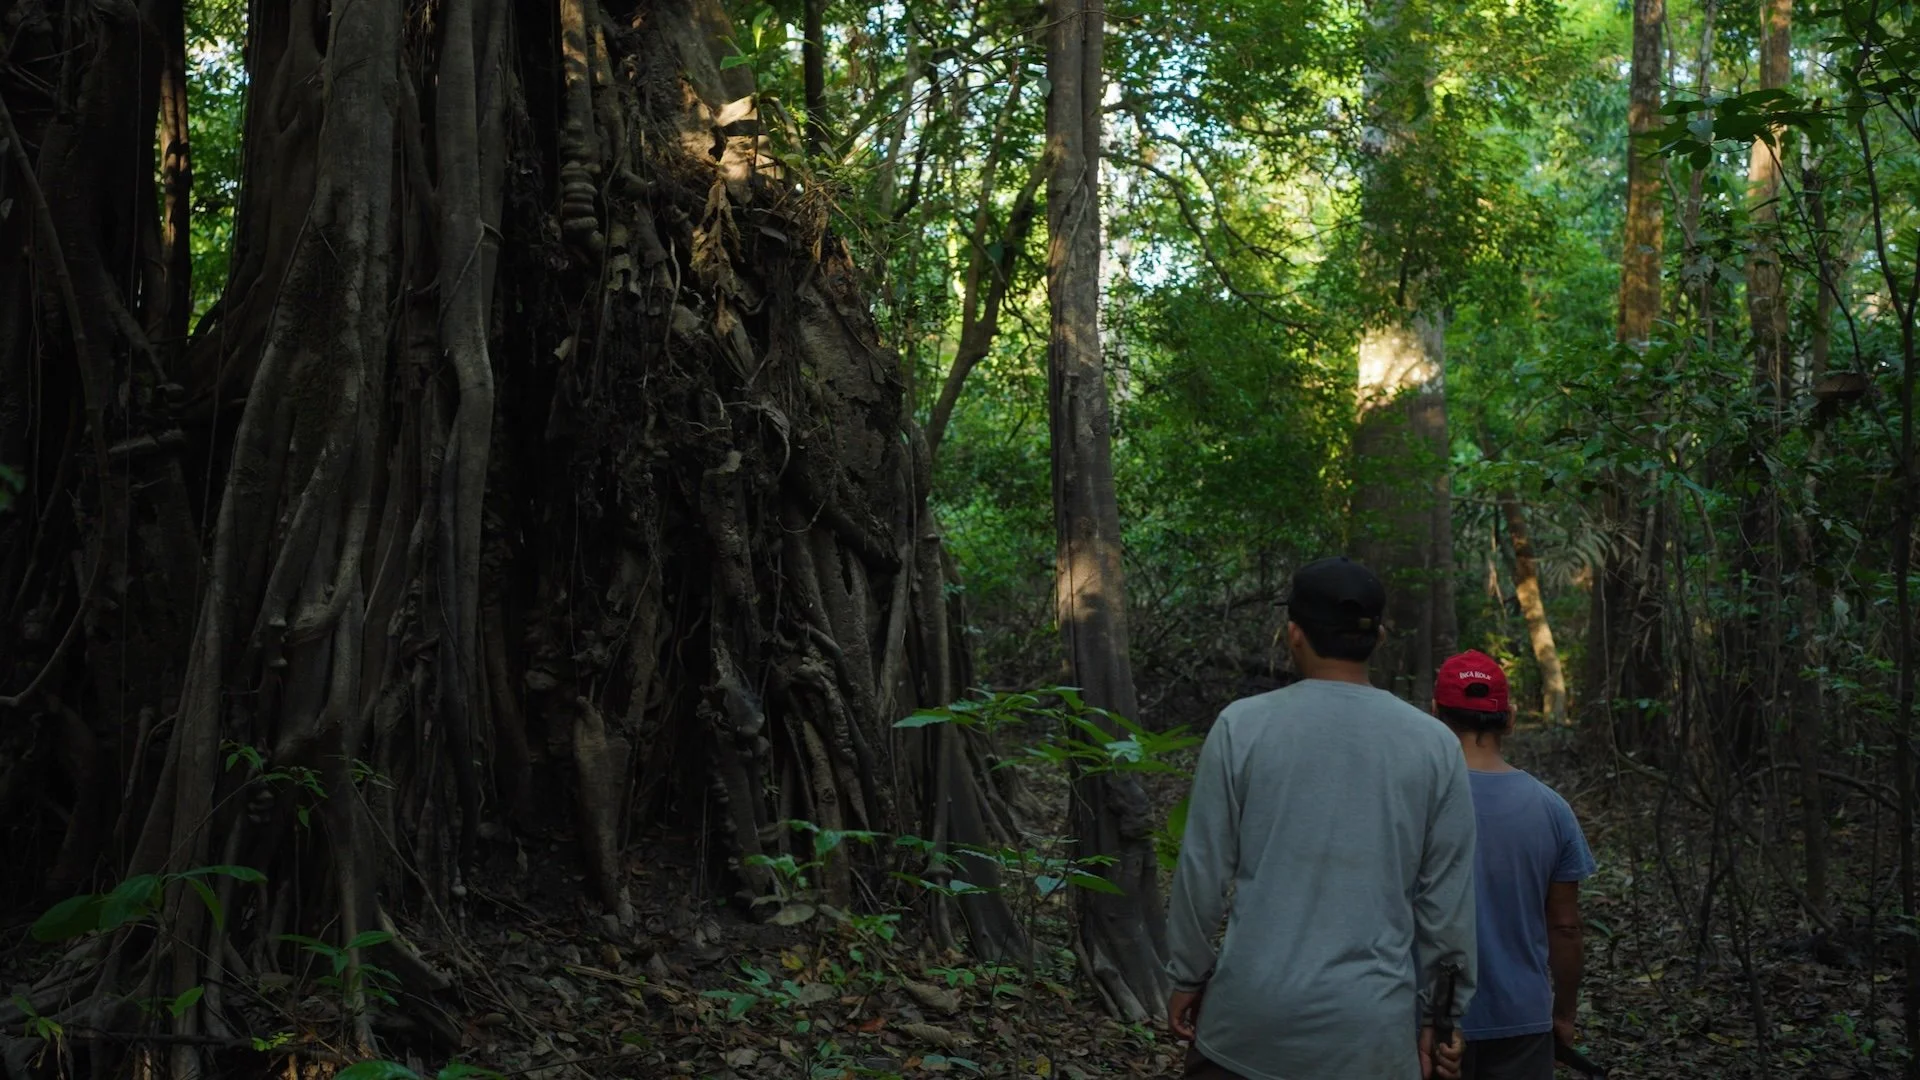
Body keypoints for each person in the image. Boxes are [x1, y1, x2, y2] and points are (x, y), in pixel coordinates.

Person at [1164, 556, 1478, 1080]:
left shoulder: (1242, 727)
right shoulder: (1434, 744)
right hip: (1371, 1030)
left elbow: (1202, 870)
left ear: (1293, 634)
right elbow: (1446, 901)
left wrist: (1188, 975)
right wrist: (1440, 1015)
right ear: (1378, 637)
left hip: (1250, 1020)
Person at [1431, 650, 1595, 1080]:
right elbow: (1565, 927)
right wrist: (1563, 1013)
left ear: (1434, 714)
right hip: (1521, 1021)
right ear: (1510, 719)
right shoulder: (1551, 809)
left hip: (1427, 1024)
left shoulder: (1413, 801)